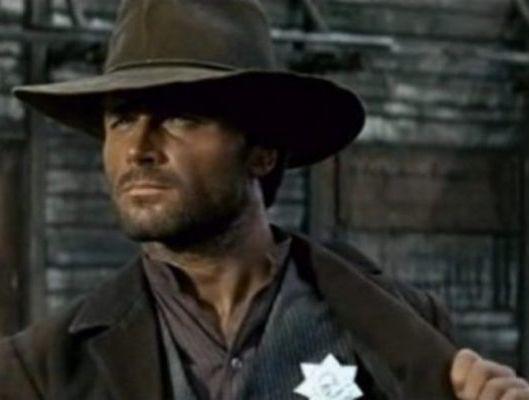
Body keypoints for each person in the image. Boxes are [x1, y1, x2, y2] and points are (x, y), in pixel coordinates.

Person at [1, 0, 528, 399]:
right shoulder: (40, 370)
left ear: (261, 152)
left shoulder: (398, 328)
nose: (138, 149)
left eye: (180, 117)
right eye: (121, 120)